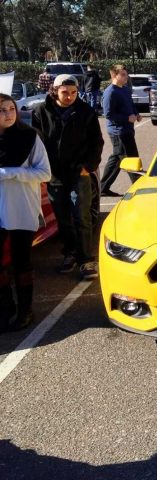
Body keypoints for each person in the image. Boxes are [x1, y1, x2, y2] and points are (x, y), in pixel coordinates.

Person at [32, 74, 103, 281]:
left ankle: (86, 259)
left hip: (78, 172)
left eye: (73, 92)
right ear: (55, 91)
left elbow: (96, 143)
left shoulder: (86, 112)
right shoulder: (40, 111)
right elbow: (37, 143)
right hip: (54, 174)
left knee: (82, 216)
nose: (70, 96)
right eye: (65, 92)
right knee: (62, 219)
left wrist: (88, 167)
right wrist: (42, 168)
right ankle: (69, 253)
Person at [0, 93, 52, 332]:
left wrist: (10, 173)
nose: (8, 114)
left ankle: (25, 310)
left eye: (11, 108)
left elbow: (45, 174)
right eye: (2, 110)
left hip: (21, 207)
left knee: (22, 261)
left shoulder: (29, 137)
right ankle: (5, 307)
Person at [101, 64, 141, 197]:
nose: (126, 77)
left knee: (117, 159)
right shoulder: (110, 92)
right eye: (123, 74)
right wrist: (126, 118)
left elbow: (130, 104)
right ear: (114, 76)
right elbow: (108, 114)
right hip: (118, 132)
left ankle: (103, 187)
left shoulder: (124, 89)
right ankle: (139, 186)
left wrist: (137, 114)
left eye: (126, 74)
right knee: (131, 158)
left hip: (127, 129)